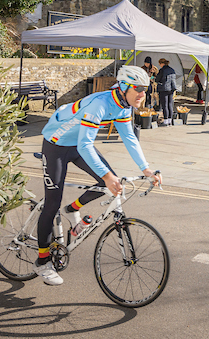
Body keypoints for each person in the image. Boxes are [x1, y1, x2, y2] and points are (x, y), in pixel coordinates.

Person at [35, 65, 161, 285]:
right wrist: (107, 175)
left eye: (146, 89)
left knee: (107, 183)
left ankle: (73, 209)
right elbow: (86, 145)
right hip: (56, 144)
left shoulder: (124, 104)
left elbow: (129, 137)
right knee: (52, 203)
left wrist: (146, 169)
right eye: (139, 89)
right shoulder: (100, 105)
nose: (144, 94)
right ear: (124, 87)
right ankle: (42, 262)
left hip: (76, 144)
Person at [156, 58, 178, 126]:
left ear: (162, 63)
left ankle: (165, 121)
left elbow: (157, 79)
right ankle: (170, 120)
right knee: (170, 104)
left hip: (164, 89)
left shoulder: (162, 70)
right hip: (171, 89)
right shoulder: (172, 70)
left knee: (164, 105)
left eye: (160, 64)